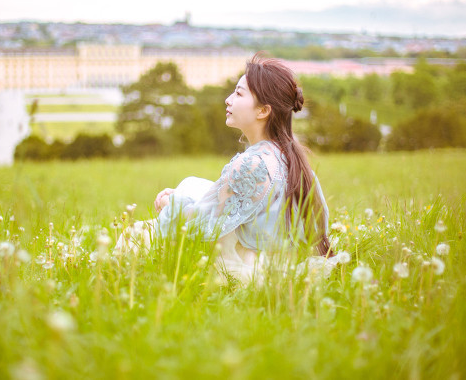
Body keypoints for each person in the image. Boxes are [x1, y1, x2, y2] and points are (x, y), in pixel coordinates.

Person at [116, 53, 335, 283]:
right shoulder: (290, 158)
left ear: (263, 111)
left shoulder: (252, 164)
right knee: (192, 184)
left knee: (134, 236)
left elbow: (202, 224)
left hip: (249, 268)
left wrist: (170, 204)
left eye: (239, 93)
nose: (228, 100)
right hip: (280, 262)